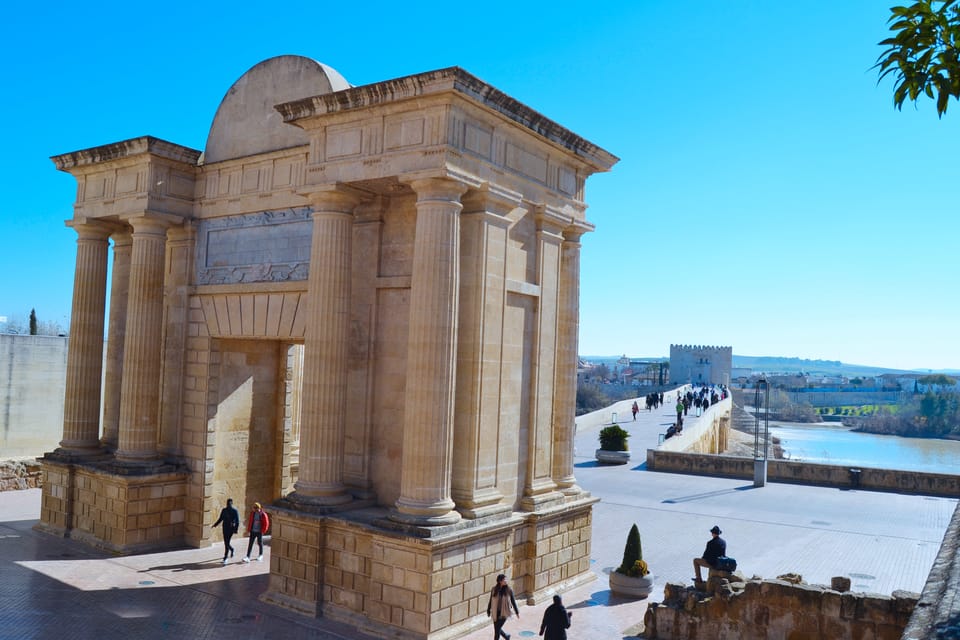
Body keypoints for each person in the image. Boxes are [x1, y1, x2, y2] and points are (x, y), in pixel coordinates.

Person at [487, 573, 519, 640]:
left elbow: (513, 601)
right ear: (500, 581)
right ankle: (506, 637)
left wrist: (517, 612)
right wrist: (488, 610)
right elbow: (490, 600)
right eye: (504, 579)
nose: (506, 581)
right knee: (497, 629)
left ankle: (505, 637)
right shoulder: (494, 589)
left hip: (504, 613)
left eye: (506, 579)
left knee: (497, 631)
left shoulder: (509, 590)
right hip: (496, 612)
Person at [212, 497, 240, 564]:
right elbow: (221, 518)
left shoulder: (235, 511)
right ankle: (231, 549)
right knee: (226, 542)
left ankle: (225, 557)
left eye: (230, 503)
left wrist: (235, 530)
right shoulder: (224, 510)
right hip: (225, 528)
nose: (229, 504)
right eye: (228, 503)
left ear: (232, 503)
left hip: (231, 529)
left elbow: (237, 521)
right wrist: (215, 525)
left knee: (227, 542)